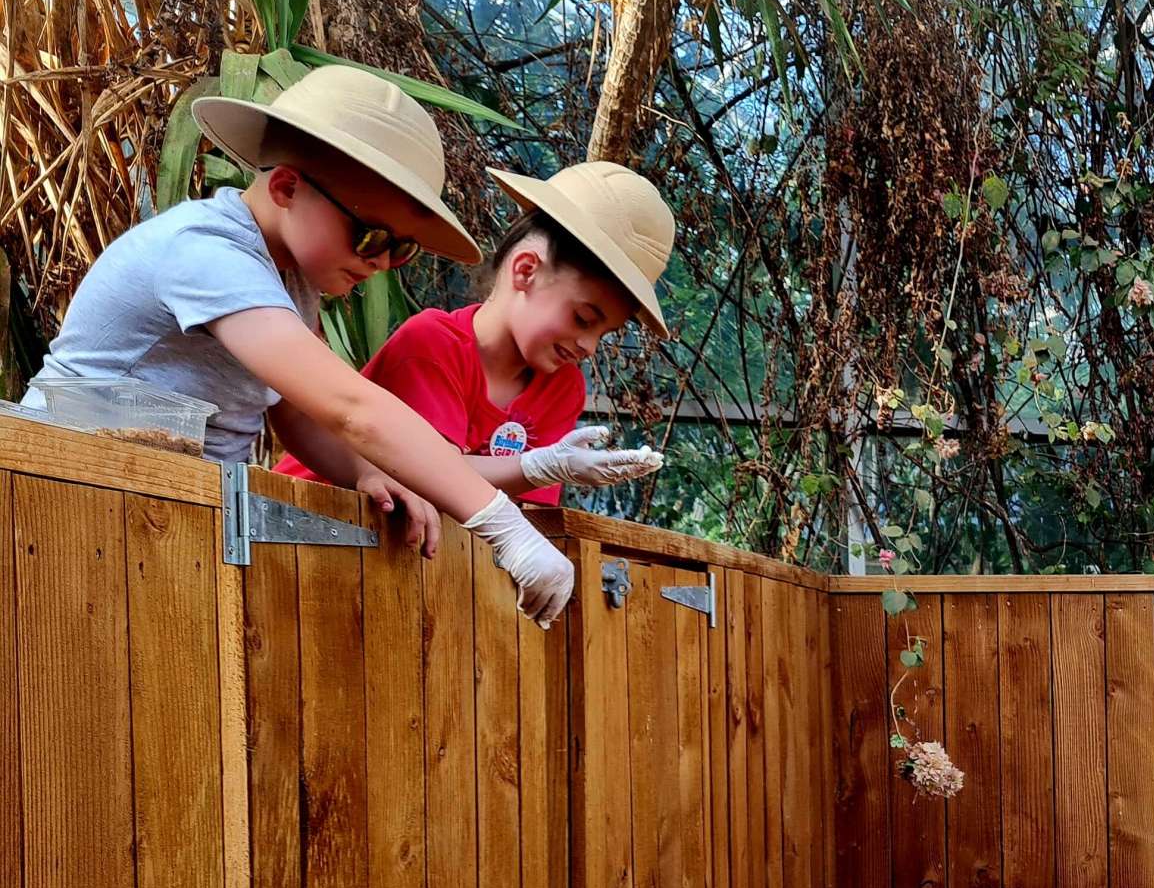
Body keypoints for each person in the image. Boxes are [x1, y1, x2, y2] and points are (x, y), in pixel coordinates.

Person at [20, 64, 574, 625]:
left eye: (401, 250)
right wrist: (502, 525)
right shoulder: (209, 252)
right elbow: (349, 407)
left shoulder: (287, 281)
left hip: (164, 513)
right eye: (371, 237)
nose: (380, 264)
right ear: (287, 188)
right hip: (65, 497)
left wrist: (361, 471)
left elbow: (295, 408)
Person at [277, 159, 670, 508]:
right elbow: (435, 479)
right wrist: (542, 466)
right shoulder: (432, 344)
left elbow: (526, 511)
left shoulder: (562, 387)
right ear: (526, 271)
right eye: (584, 319)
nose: (589, 346)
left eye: (605, 333)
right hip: (302, 520)